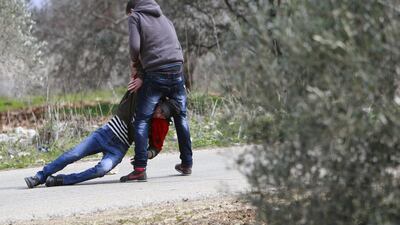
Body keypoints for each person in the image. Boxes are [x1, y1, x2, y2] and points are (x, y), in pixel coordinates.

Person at [24, 92, 179, 188]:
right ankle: (39, 177)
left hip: (119, 148)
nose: (159, 115)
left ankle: (60, 181)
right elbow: (140, 68)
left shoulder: (161, 125)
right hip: (106, 133)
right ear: (158, 103)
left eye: (164, 115)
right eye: (160, 110)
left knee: (102, 170)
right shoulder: (142, 96)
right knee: (73, 154)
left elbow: (156, 147)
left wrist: (146, 155)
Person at [121, 0, 193, 182]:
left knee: (142, 119)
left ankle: (139, 168)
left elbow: (135, 47)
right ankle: (187, 163)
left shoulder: (135, 17)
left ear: (131, 10)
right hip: (177, 68)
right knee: (181, 116)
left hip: (156, 71)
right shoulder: (165, 19)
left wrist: (136, 66)